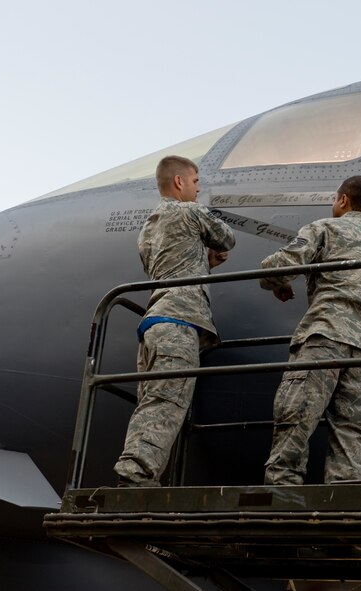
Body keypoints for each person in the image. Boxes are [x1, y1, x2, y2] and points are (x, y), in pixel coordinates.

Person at [259, 175, 361, 485]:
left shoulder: (324, 228)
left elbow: (279, 266)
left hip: (324, 336)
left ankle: (282, 495)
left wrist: (278, 284)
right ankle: (344, 501)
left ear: (342, 200)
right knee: (353, 432)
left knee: (296, 418)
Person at [114, 155, 235, 487]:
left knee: (152, 404)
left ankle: (138, 473)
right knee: (167, 404)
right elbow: (227, 238)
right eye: (196, 182)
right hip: (179, 322)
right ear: (179, 182)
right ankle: (136, 476)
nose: (199, 189)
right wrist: (214, 246)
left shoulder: (149, 227)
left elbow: (172, 265)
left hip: (154, 322)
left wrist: (204, 259)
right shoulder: (190, 211)